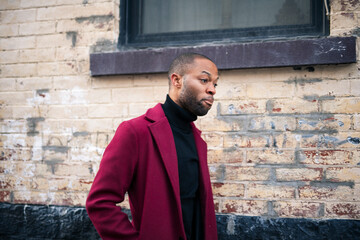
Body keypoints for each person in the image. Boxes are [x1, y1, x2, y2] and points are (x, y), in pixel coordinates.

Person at [86, 53, 219, 240]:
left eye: (215, 84)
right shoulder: (135, 131)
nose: (212, 89)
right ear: (177, 80)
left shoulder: (197, 139)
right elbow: (100, 203)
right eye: (204, 80)